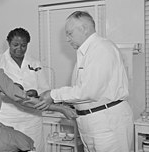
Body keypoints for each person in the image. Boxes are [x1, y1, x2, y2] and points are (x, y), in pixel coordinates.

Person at [32, 11, 134, 152]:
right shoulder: (84, 54)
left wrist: (53, 95)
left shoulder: (102, 49)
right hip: (89, 124)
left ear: (84, 29)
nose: (67, 39)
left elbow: (89, 91)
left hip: (107, 123)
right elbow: (81, 91)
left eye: (69, 33)